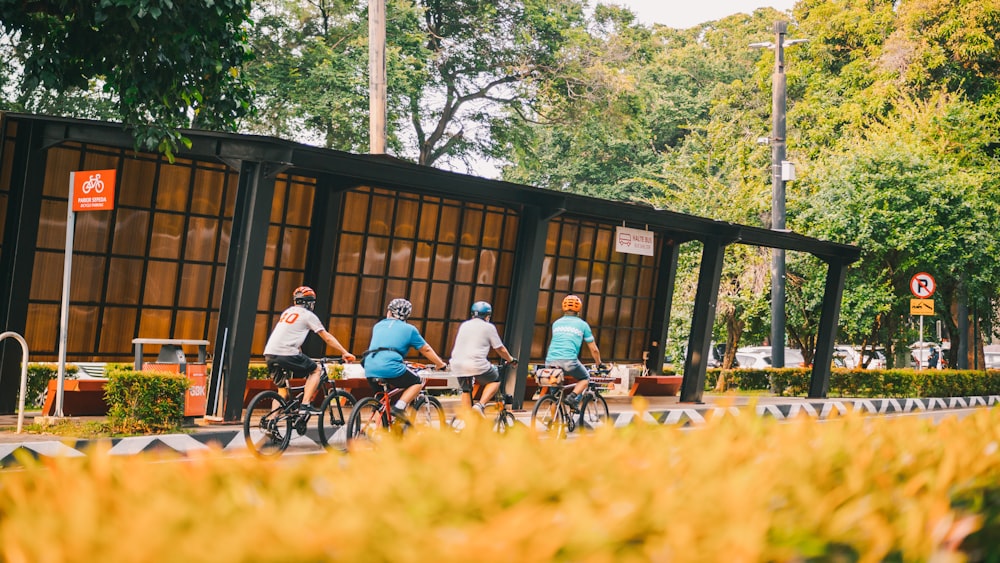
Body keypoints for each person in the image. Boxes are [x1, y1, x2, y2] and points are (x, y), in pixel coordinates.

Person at [263, 286, 356, 413]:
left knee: (282, 391)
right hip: (287, 353)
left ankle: (271, 422)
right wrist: (345, 352)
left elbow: (290, 335)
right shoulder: (307, 315)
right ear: (309, 303)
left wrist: (300, 353)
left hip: (270, 353)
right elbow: (327, 337)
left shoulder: (287, 312)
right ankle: (305, 404)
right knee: (316, 370)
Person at [362, 298, 447, 420]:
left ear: (389, 312)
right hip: (390, 367)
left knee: (381, 402)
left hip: (370, 367)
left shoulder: (378, 326)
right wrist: (440, 364)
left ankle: (377, 431)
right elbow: (425, 349)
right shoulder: (410, 329)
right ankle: (399, 408)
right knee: (417, 382)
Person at [449, 301, 517, 416]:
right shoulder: (488, 327)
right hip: (476, 364)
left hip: (457, 364)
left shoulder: (464, 325)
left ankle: (467, 420)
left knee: (466, 390)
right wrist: (511, 359)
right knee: (495, 380)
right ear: (487, 316)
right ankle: (479, 406)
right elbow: (500, 348)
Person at [543, 294, 603, 410]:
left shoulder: (556, 323)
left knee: (554, 396)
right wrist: (598, 363)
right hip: (569, 361)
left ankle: (554, 425)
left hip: (550, 361)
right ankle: (572, 398)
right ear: (579, 309)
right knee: (585, 378)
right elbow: (594, 349)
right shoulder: (583, 325)